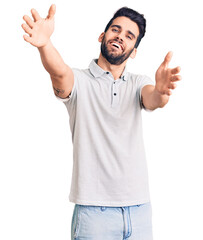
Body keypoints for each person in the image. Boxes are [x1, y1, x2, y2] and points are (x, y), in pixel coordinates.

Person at [22, 4, 181, 240]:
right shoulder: (79, 81)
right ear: (102, 36)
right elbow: (59, 73)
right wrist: (45, 45)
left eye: (129, 36)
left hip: (139, 211)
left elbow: (153, 98)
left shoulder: (139, 83)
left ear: (134, 51)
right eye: (115, 30)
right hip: (94, 214)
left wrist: (161, 91)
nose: (120, 36)